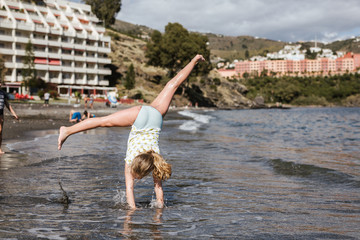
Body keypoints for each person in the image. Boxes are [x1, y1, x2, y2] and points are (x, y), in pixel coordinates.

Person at [58, 55, 205, 209]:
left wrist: (153, 209)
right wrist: (139, 213)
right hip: (141, 117)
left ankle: (194, 60)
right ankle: (67, 130)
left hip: (155, 117)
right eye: (137, 176)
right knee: (103, 121)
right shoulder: (134, 163)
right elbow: (137, 189)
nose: (136, 178)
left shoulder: (155, 160)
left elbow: (155, 190)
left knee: (172, 85)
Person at [0, 87, 19, 154]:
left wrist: (14, 114)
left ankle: (0, 149)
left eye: (0, 82)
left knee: (0, 132)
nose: (0, 84)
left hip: (1, 114)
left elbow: (7, 104)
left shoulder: (2, 93)